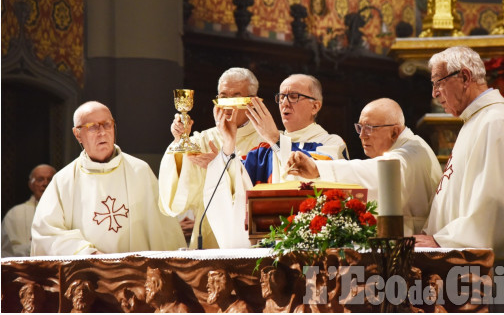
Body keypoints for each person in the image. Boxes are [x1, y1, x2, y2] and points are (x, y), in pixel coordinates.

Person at [415, 46, 504, 311]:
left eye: (438, 83)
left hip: (497, 272)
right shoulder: (478, 120)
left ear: (465, 77)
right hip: (479, 267)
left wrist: (443, 240)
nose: (434, 94)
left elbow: (494, 202)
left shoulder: (494, 121)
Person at [202, 73, 348, 248]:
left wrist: (275, 139)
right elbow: (235, 191)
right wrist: (227, 148)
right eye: (281, 97)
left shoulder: (331, 144)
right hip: (263, 250)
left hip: (311, 247)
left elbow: (314, 173)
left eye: (294, 96)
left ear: (315, 106)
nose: (285, 103)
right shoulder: (263, 151)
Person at [30, 101, 185, 256]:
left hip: (136, 275)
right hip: (87, 275)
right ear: (77, 134)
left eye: (107, 125)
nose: (102, 132)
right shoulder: (63, 181)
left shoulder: (140, 171)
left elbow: (164, 233)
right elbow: (46, 234)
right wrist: (88, 253)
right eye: (93, 127)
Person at [286, 98, 442, 236]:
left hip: (411, 242)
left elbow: (378, 174)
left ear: (394, 132)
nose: (361, 135)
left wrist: (318, 168)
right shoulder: (410, 145)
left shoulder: (412, 151)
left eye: (369, 128)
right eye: (360, 128)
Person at [158, 67, 264, 249]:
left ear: (253, 101)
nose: (228, 104)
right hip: (209, 236)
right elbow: (178, 196)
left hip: (251, 239)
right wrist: (179, 142)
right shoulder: (203, 140)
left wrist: (221, 166)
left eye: (236, 96)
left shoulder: (267, 140)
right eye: (223, 96)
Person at [1, 164, 56, 257]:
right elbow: (6, 251)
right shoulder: (14, 214)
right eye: (40, 179)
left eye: (50, 179)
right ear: (31, 185)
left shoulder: (65, 211)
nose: (45, 183)